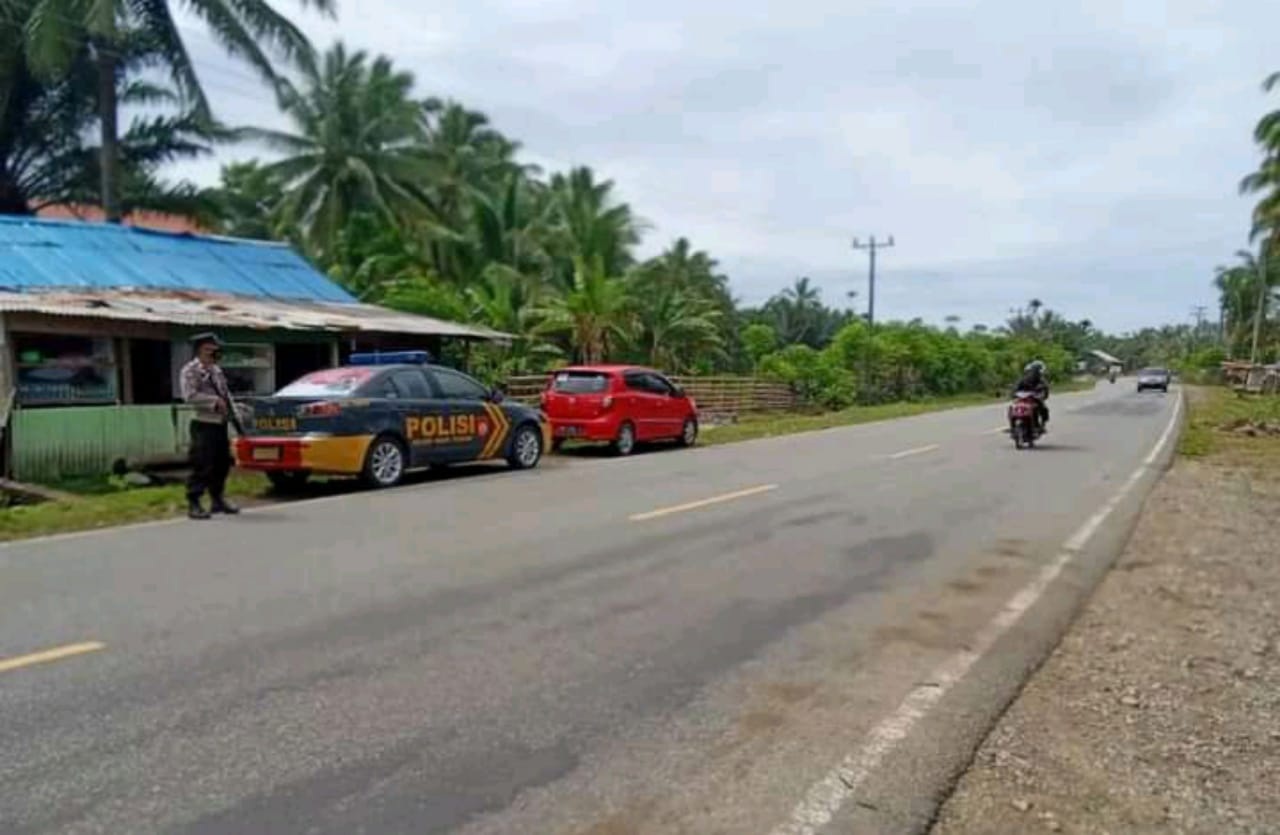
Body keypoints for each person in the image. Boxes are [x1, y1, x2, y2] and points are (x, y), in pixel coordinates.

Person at [179, 333, 240, 519]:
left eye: (215, 349)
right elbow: (189, 396)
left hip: (220, 423)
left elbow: (225, 394)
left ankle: (217, 499)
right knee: (202, 464)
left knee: (222, 463)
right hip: (203, 423)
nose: (213, 352)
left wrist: (234, 412)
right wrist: (213, 402)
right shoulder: (191, 370)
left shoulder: (216, 370)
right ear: (199, 350)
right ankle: (194, 502)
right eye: (209, 349)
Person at [1013, 359, 1051, 431]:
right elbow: (1016, 387)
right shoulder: (1023, 379)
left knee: (1042, 407)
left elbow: (1045, 389)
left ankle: (1041, 424)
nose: (1032, 373)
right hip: (1023, 397)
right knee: (1013, 406)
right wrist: (1014, 393)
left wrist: (1042, 395)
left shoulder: (1041, 380)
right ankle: (1013, 425)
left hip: (1034, 398)